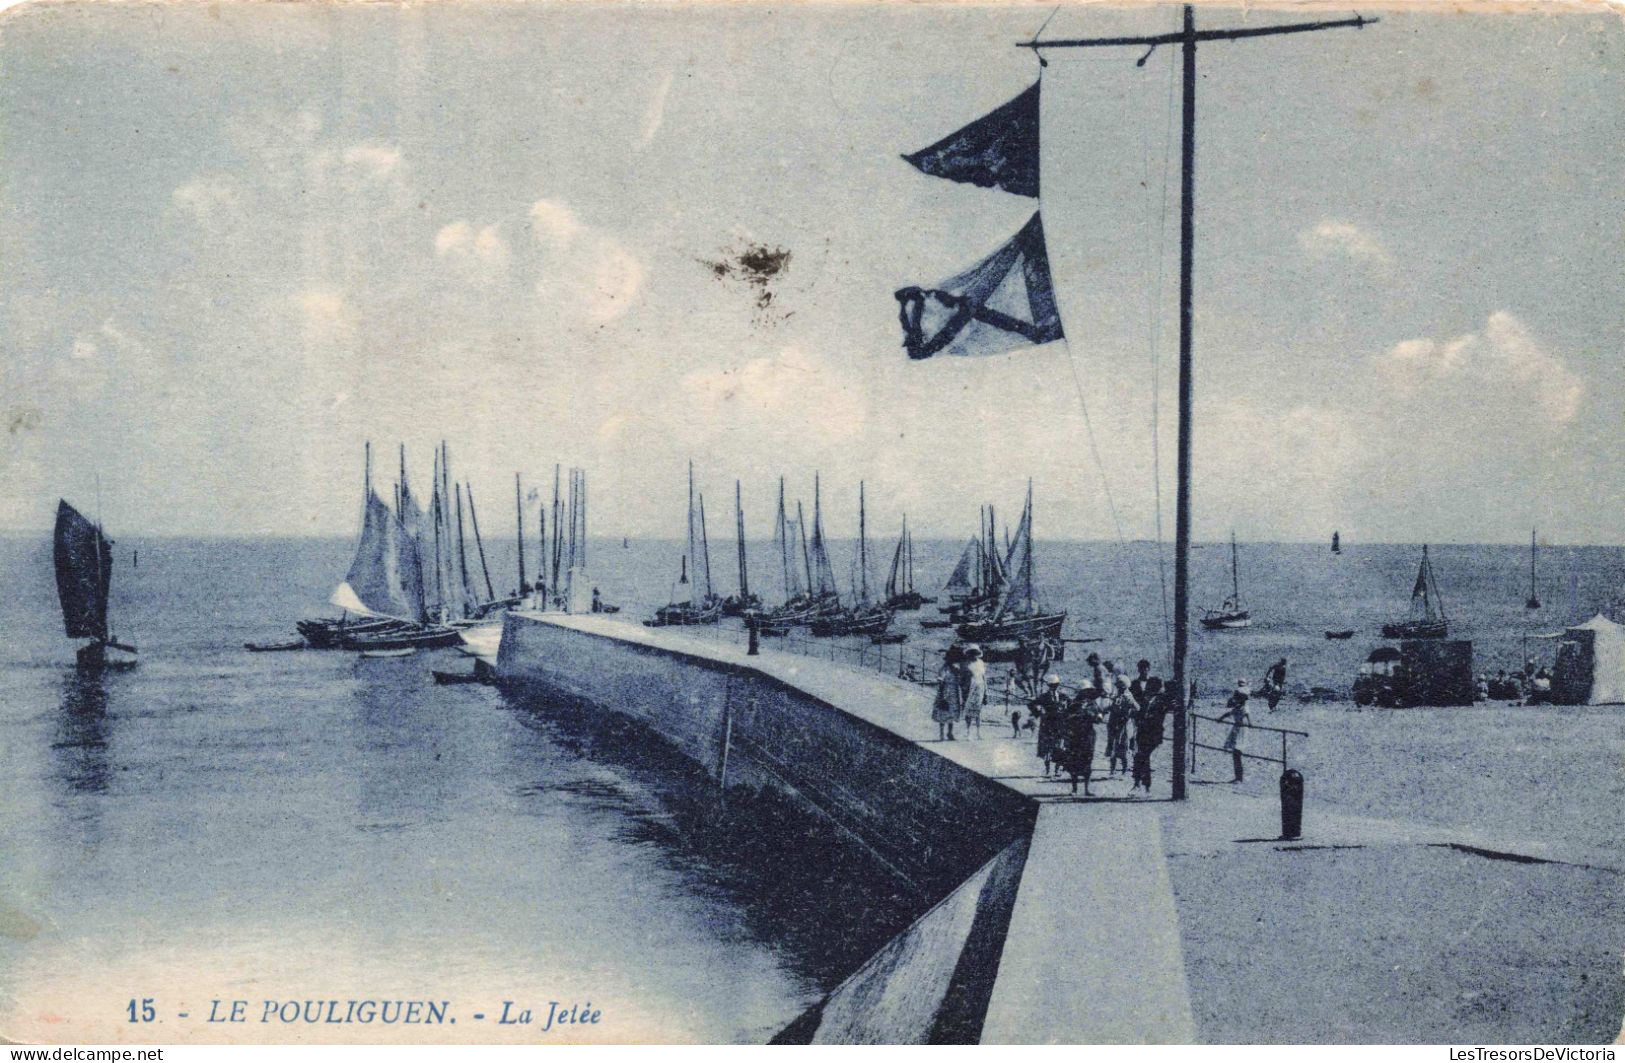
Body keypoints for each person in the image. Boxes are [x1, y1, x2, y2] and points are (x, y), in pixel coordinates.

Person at [1058, 689, 1101, 796]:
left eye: (1087, 693)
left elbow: (1098, 719)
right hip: (1075, 736)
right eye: (1083, 693)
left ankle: (1087, 789)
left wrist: (1094, 715)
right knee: (1074, 762)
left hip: (1088, 737)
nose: (1085, 695)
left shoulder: (1093, 705)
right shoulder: (1073, 705)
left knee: (1088, 761)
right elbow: (1065, 719)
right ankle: (1074, 789)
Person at [1131, 676, 1166, 793]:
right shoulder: (1145, 700)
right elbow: (1139, 713)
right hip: (1142, 732)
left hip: (1154, 733)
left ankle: (1139, 785)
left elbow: (1158, 716)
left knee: (1141, 756)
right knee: (1142, 757)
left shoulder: (1161, 700)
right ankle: (1144, 786)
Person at [1029, 674, 1067, 775]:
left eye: (1056, 685)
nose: (1054, 687)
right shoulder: (1044, 697)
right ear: (1048, 685)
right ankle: (1047, 770)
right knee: (1048, 748)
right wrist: (1038, 713)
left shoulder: (1063, 696)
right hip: (1048, 725)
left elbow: (1072, 705)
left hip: (1060, 726)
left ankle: (1057, 770)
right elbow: (1031, 704)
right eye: (1052, 685)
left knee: (1059, 748)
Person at [1217, 680, 1251, 783]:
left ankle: (1239, 778)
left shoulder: (1244, 707)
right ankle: (1238, 777)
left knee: (1237, 752)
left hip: (1241, 730)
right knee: (1235, 754)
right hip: (1237, 729)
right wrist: (1220, 718)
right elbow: (1229, 713)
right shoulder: (1238, 707)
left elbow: (1247, 716)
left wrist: (1250, 723)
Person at [932, 647, 964, 741]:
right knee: (943, 711)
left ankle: (950, 733)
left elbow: (960, 679)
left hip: (954, 692)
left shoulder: (956, 669)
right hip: (945, 691)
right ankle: (942, 733)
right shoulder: (944, 668)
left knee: (952, 712)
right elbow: (940, 680)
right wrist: (942, 694)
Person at [1105, 676, 1133, 776]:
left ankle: (1124, 770)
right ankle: (1112, 770)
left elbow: (1136, 708)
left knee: (1123, 749)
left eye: (1119, 687)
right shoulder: (1117, 696)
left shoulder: (1128, 696)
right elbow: (1111, 707)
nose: (1118, 688)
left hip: (1123, 727)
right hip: (1113, 724)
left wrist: (1127, 711)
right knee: (1112, 748)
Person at [962, 645, 987, 738]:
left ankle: (978, 732)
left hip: (980, 688)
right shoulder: (966, 664)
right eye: (971, 653)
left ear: (977, 653)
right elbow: (963, 679)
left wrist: (986, 693)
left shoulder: (981, 663)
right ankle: (968, 732)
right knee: (968, 711)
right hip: (969, 689)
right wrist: (964, 691)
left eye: (975, 653)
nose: (973, 655)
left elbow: (984, 677)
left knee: (978, 712)